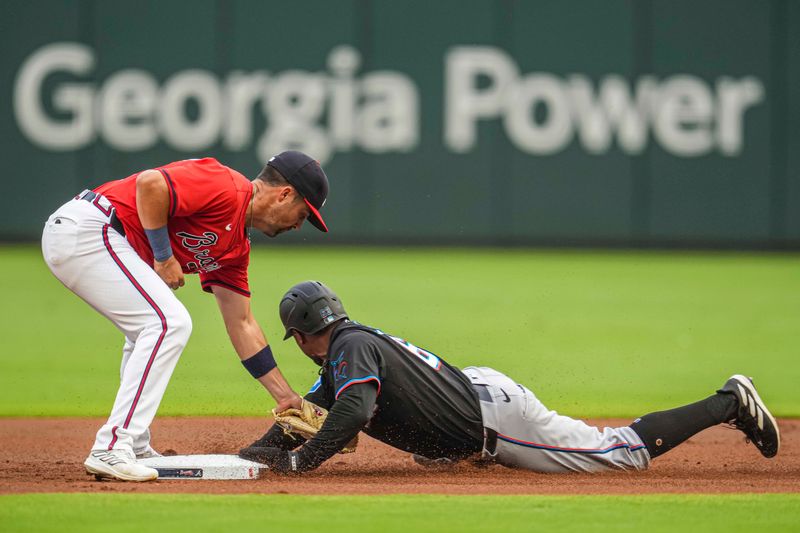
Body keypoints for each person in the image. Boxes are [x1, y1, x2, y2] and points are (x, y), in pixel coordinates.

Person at [239, 280, 781, 474]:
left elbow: (352, 414)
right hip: (473, 393)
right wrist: (254, 456)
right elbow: (303, 419)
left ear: (306, 332)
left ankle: (729, 402)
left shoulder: (350, 349)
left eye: (298, 340)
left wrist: (299, 464)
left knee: (618, 453)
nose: (302, 350)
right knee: (433, 452)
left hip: (495, 418)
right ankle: (453, 449)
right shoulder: (347, 350)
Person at [41, 151, 330, 482]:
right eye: (303, 213)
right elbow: (151, 185)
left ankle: (131, 443)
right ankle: (113, 445)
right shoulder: (227, 186)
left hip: (100, 240)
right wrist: (163, 256)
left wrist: (285, 396)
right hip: (91, 227)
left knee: (150, 328)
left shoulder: (235, 247)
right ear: (284, 194)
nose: (298, 224)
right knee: (168, 323)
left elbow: (242, 323)